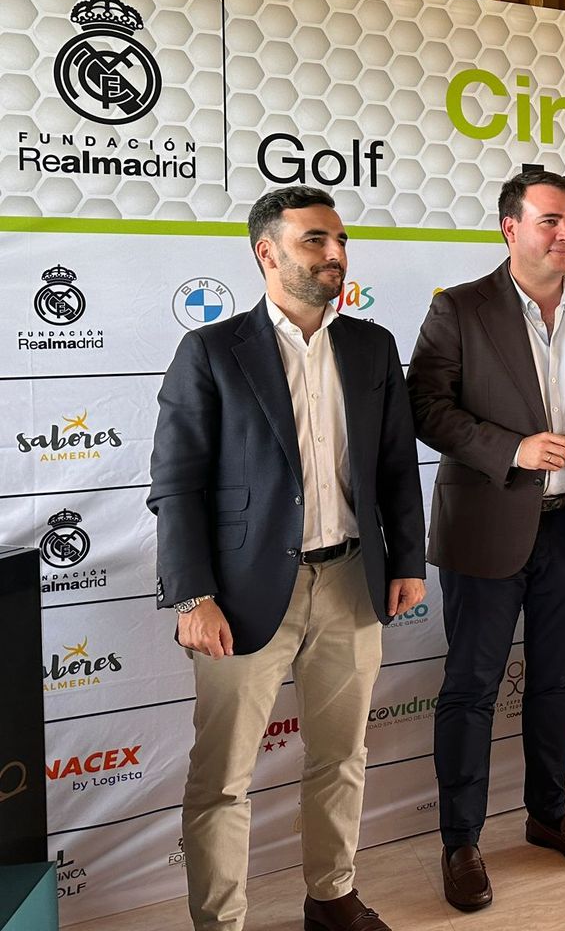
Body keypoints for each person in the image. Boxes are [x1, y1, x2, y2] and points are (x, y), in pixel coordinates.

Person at [149, 185, 427, 931]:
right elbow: (176, 483)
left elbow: (397, 465)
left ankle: (331, 898)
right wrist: (191, 596)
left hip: (351, 582)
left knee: (341, 759)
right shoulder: (211, 351)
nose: (335, 254)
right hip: (240, 597)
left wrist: (409, 560)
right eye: (314, 241)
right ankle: (221, 923)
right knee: (223, 782)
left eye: (339, 240)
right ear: (267, 252)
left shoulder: (372, 346)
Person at [409, 168, 565, 912]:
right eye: (550, 221)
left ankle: (548, 814)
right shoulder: (460, 308)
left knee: (554, 681)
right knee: (471, 688)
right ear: (510, 228)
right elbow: (426, 407)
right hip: (486, 530)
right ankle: (461, 842)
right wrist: (510, 448)